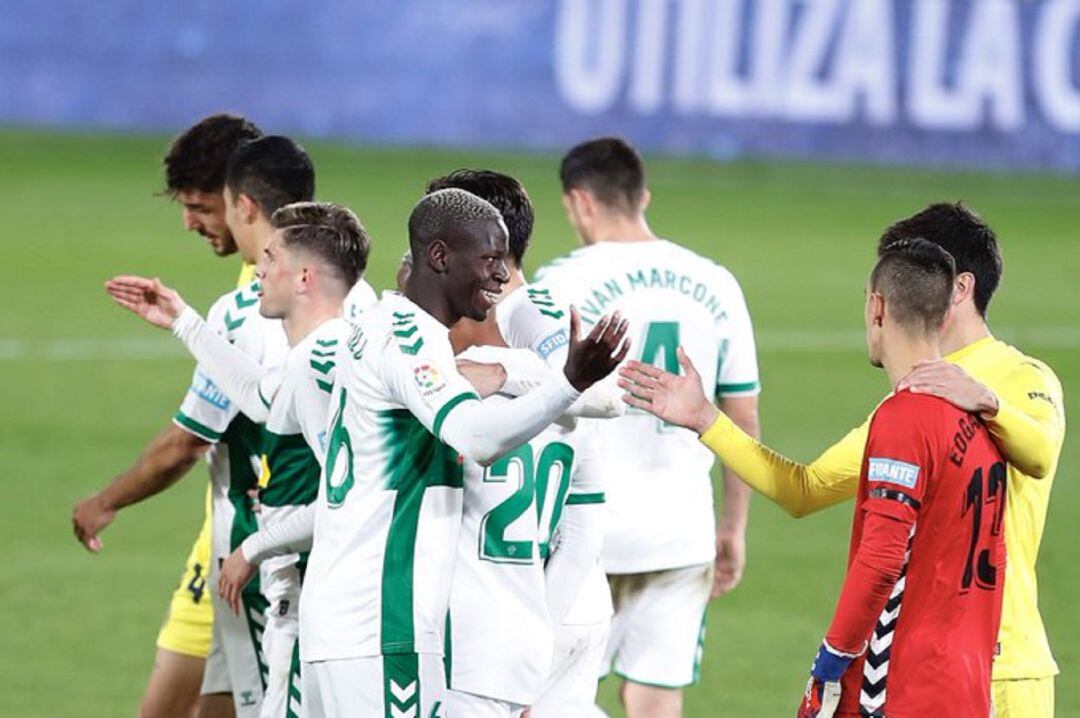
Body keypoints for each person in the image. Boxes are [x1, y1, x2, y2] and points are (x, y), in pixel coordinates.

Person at [624, 203, 1065, 717]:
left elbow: (1039, 453)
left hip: (1012, 668)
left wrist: (989, 401)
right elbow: (805, 489)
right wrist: (708, 420)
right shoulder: (907, 405)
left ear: (958, 288)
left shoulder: (1024, 377)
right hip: (933, 668)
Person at [299, 188, 629, 716]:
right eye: (490, 260)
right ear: (439, 257)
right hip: (383, 622)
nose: (502, 275)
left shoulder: (376, 330)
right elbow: (474, 436)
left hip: (342, 624)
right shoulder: (410, 338)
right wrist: (564, 383)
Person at [105, 201, 370, 718]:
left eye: (271, 260)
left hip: (327, 604)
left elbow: (351, 496)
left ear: (304, 277)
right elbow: (262, 394)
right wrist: (184, 322)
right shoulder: (324, 352)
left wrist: (254, 546)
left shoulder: (323, 362)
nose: (260, 272)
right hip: (314, 601)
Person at [535, 137, 761, 717]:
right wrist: (733, 526)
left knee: (552, 698)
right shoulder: (716, 283)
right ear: (643, 197)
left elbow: (534, 411)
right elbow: (742, 416)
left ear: (580, 202)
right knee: (657, 702)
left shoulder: (560, 282)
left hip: (582, 535)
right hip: (680, 532)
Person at [71, 113, 262, 718]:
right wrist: (186, 323)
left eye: (201, 207)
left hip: (245, 545)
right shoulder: (336, 275)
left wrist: (106, 500)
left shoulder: (253, 301)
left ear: (241, 201)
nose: (189, 223)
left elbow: (187, 442)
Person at [425, 170, 614, 716]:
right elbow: (586, 515)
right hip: (570, 601)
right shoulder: (554, 344)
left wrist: (506, 377)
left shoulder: (516, 329)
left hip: (508, 619)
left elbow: (606, 399)